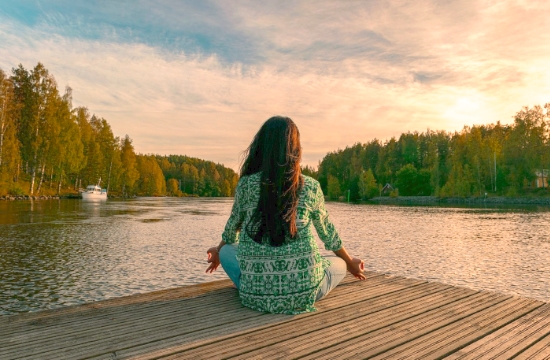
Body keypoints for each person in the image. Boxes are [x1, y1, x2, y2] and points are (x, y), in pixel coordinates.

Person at [205, 116, 365, 314]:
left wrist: (218, 251)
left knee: (228, 250)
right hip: (306, 292)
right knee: (338, 262)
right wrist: (351, 264)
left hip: (254, 295)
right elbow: (328, 235)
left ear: (261, 148)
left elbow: (232, 230)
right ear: (295, 150)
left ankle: (255, 282)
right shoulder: (311, 186)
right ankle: (312, 275)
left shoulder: (246, 185)